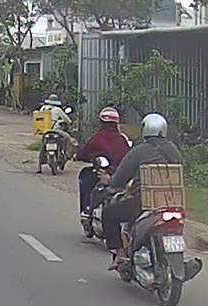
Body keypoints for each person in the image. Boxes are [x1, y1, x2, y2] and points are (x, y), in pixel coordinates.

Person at [99, 112, 183, 269]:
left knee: (109, 213)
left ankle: (120, 254)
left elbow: (119, 179)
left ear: (145, 129)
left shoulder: (139, 151)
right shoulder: (174, 150)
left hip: (143, 203)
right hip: (172, 202)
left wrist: (109, 181)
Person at [76, 107, 132, 215]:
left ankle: (86, 209)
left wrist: (79, 156)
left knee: (85, 176)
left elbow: (83, 153)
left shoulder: (96, 138)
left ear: (101, 122)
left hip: (101, 173)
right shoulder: (122, 139)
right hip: (120, 174)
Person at [36, 94, 75, 173]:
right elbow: (67, 120)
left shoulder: (43, 108)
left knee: (42, 147)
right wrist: (69, 122)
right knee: (68, 139)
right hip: (56, 131)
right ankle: (67, 155)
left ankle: (39, 167)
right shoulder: (58, 110)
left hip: (45, 131)